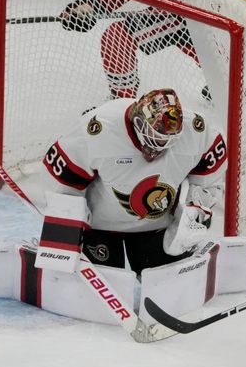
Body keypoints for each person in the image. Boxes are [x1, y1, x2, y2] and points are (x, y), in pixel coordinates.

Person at [40, 87, 227, 274]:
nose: (160, 146)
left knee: (168, 287)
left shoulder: (196, 130)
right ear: (138, 120)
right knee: (106, 286)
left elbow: (209, 177)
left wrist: (193, 210)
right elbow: (64, 184)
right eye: (155, 136)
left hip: (157, 231)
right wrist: (63, 245)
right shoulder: (99, 129)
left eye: (168, 140)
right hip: (100, 230)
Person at [58, 0, 210, 100]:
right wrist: (88, 5)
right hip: (180, 11)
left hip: (204, 11)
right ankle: (122, 102)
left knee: (116, 37)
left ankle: (121, 103)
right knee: (117, 36)